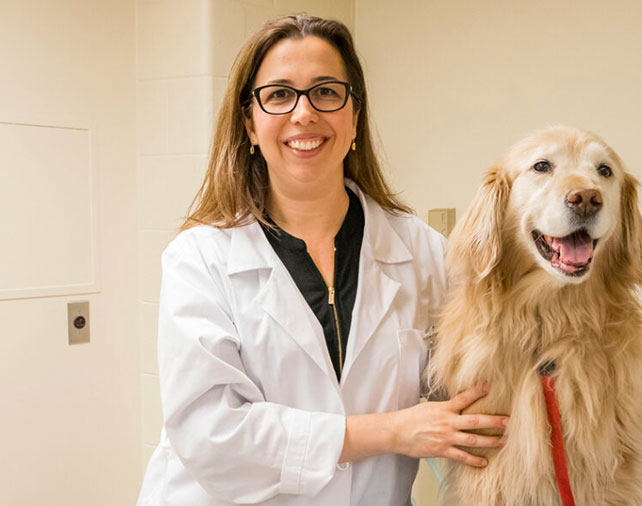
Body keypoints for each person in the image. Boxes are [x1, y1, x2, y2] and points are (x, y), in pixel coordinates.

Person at [137, 14, 507, 506]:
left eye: (326, 92)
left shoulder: (422, 251)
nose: (304, 114)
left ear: (354, 115)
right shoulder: (200, 258)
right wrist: (391, 432)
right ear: (250, 122)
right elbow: (213, 434)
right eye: (279, 94)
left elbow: (469, 389)